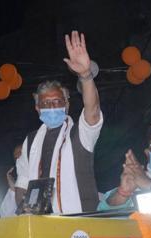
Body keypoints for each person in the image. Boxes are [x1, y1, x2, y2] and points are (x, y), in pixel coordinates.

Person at [15, 31, 103, 214]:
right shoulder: (30, 142)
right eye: (45, 103)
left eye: (57, 102)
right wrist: (23, 214)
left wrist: (85, 75)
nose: (52, 106)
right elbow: (22, 184)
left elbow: (93, 112)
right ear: (37, 108)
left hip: (82, 227)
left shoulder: (79, 134)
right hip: (43, 228)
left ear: (67, 105)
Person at [0, 144, 22, 218]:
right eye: (16, 157)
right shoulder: (17, 186)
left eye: (20, 153)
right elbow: (5, 216)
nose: (17, 158)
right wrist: (13, 189)